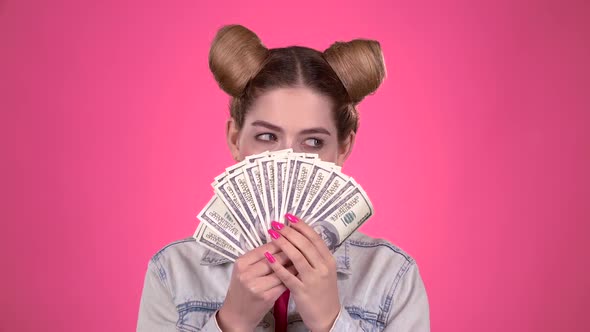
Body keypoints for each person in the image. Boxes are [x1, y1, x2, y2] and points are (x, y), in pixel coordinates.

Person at [137, 24, 430, 331]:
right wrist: (231, 322)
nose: (286, 160)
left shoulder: (392, 276)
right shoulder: (172, 271)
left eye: (313, 142)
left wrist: (331, 321)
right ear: (235, 140)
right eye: (266, 136)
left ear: (344, 148)